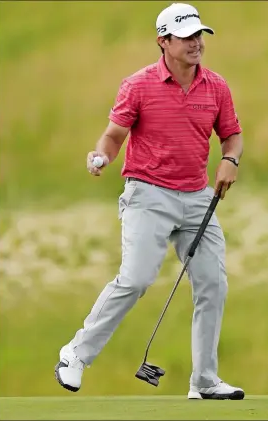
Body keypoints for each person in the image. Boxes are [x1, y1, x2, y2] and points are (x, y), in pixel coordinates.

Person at [55, 2, 244, 400]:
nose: (196, 43)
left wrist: (229, 159)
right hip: (148, 194)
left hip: (197, 198)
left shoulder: (216, 87)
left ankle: (205, 380)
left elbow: (231, 135)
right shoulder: (138, 85)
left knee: (213, 284)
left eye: (199, 35)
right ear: (163, 41)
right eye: (186, 36)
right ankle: (75, 353)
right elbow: (113, 135)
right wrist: (102, 156)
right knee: (137, 278)